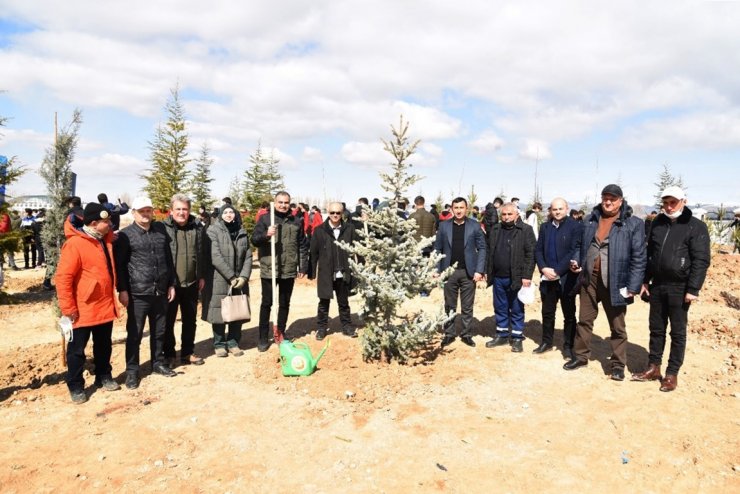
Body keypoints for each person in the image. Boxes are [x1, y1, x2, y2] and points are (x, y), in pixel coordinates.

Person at [564, 185, 646, 381]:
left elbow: (639, 256)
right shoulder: (590, 220)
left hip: (616, 281)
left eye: (613, 199)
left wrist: (634, 286)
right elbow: (579, 246)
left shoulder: (632, 223)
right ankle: (581, 356)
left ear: (621, 200)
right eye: (605, 198)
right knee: (584, 321)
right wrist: (576, 260)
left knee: (617, 326)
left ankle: (618, 365)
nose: (608, 202)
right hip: (589, 279)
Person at [632, 186, 710, 392]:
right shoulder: (657, 223)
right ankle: (654, 367)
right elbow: (650, 253)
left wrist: (693, 288)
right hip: (658, 285)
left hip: (680, 287)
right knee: (656, 329)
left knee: (677, 332)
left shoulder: (695, 226)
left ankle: (671, 373)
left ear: (683, 201)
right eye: (665, 202)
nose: (668, 206)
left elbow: (701, 260)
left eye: (673, 202)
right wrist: (645, 280)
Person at [55, 203, 120, 404]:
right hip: (81, 309)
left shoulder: (103, 240)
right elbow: (63, 278)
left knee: (103, 345)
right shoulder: (75, 245)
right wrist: (68, 308)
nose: (110, 224)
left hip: (103, 304)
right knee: (76, 350)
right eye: (106, 222)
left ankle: (104, 375)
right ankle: (75, 385)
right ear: (94, 223)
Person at [115, 196, 177, 389]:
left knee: (159, 331)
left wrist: (171, 284)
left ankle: (157, 362)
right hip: (138, 293)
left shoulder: (160, 233)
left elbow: (168, 260)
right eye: (141, 211)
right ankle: (132, 371)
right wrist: (123, 290)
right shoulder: (125, 236)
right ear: (133, 213)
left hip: (160, 291)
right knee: (135, 334)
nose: (145, 214)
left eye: (148, 210)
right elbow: (120, 266)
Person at [251, 191, 309, 351]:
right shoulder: (265, 219)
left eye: (286, 202)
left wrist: (303, 266)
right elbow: (254, 240)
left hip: (288, 268)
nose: (283, 205)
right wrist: (266, 235)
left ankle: (280, 332)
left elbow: (302, 245)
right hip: (270, 269)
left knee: (284, 303)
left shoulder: (296, 221)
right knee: (267, 303)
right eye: (280, 202)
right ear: (275, 203)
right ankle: (263, 337)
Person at [533, 198, 583, 358]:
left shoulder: (575, 227)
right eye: (554, 209)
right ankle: (546, 342)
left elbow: (573, 250)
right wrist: (543, 268)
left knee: (569, 314)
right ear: (550, 211)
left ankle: (568, 346)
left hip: (566, 278)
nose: (557, 212)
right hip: (547, 277)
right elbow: (538, 250)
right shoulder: (545, 227)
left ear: (567, 209)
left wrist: (558, 271)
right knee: (547, 312)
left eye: (561, 209)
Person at [434, 197, 487, 348]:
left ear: (467, 209)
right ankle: (449, 333)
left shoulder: (475, 226)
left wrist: (479, 270)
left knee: (467, 306)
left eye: (461, 207)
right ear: (451, 209)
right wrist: (437, 269)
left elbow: (482, 248)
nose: (458, 210)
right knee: (449, 305)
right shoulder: (444, 226)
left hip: (468, 272)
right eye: (455, 207)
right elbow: (438, 248)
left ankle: (466, 334)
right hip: (449, 272)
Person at [201, 204, 252, 356]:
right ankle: (219, 343)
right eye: (226, 212)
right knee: (219, 312)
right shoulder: (213, 230)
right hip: (219, 278)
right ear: (221, 215)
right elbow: (215, 256)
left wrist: (243, 276)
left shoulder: (241, 232)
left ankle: (233, 342)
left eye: (232, 212)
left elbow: (248, 257)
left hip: (240, 280)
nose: (229, 215)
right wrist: (231, 276)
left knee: (237, 310)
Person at [484, 202, 536, 352]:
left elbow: (530, 254)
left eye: (509, 214)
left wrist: (527, 275)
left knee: (517, 308)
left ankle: (517, 338)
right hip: (498, 277)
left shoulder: (525, 230)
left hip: (517, 277)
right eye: (504, 214)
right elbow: (489, 250)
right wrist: (488, 270)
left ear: (517, 215)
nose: (506, 217)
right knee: (500, 307)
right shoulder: (495, 230)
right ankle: (502, 335)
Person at [163, 194, 207, 366]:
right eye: (178, 209)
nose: (182, 212)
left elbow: (201, 253)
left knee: (190, 320)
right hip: (171, 285)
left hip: (191, 282)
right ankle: (169, 354)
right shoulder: (162, 228)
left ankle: (188, 352)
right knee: (168, 321)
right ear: (171, 211)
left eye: (185, 209)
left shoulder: (196, 228)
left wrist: (201, 275)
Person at [309, 202, 359, 340]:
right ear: (328, 213)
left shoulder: (349, 229)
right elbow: (313, 252)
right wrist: (312, 271)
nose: (335, 215)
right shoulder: (319, 230)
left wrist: (360, 268)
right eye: (332, 213)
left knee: (343, 302)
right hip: (326, 272)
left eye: (338, 213)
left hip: (343, 272)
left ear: (342, 213)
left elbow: (358, 248)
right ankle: (321, 328)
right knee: (323, 303)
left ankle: (347, 326)